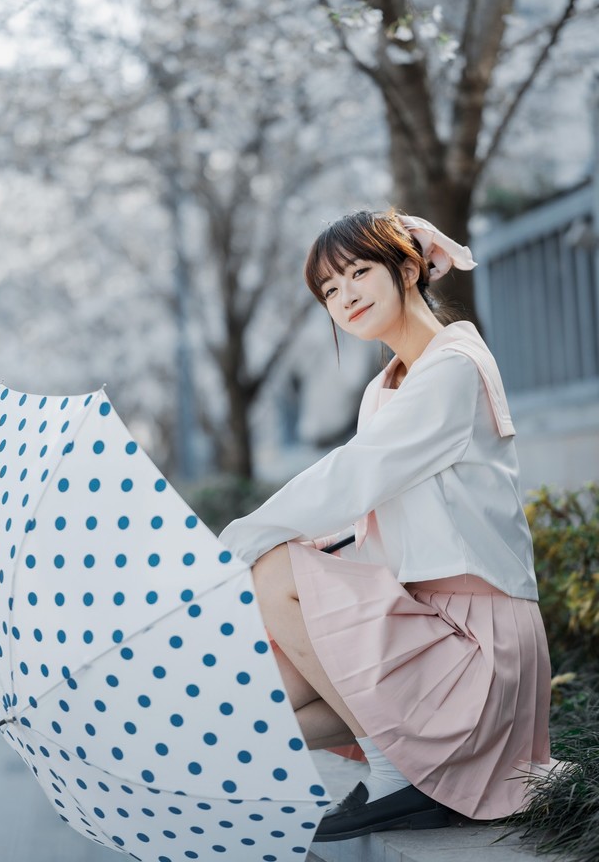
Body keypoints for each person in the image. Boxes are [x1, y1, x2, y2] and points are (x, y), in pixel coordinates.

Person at [218, 209, 551, 842]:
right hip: (428, 619)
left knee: (273, 569)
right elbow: (375, 506)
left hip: (478, 640)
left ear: (406, 267)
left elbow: (356, 474)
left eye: (357, 274)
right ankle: (378, 769)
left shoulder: (453, 367)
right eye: (329, 292)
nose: (344, 299)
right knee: (270, 697)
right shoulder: (385, 388)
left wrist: (245, 536)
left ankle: (398, 779)